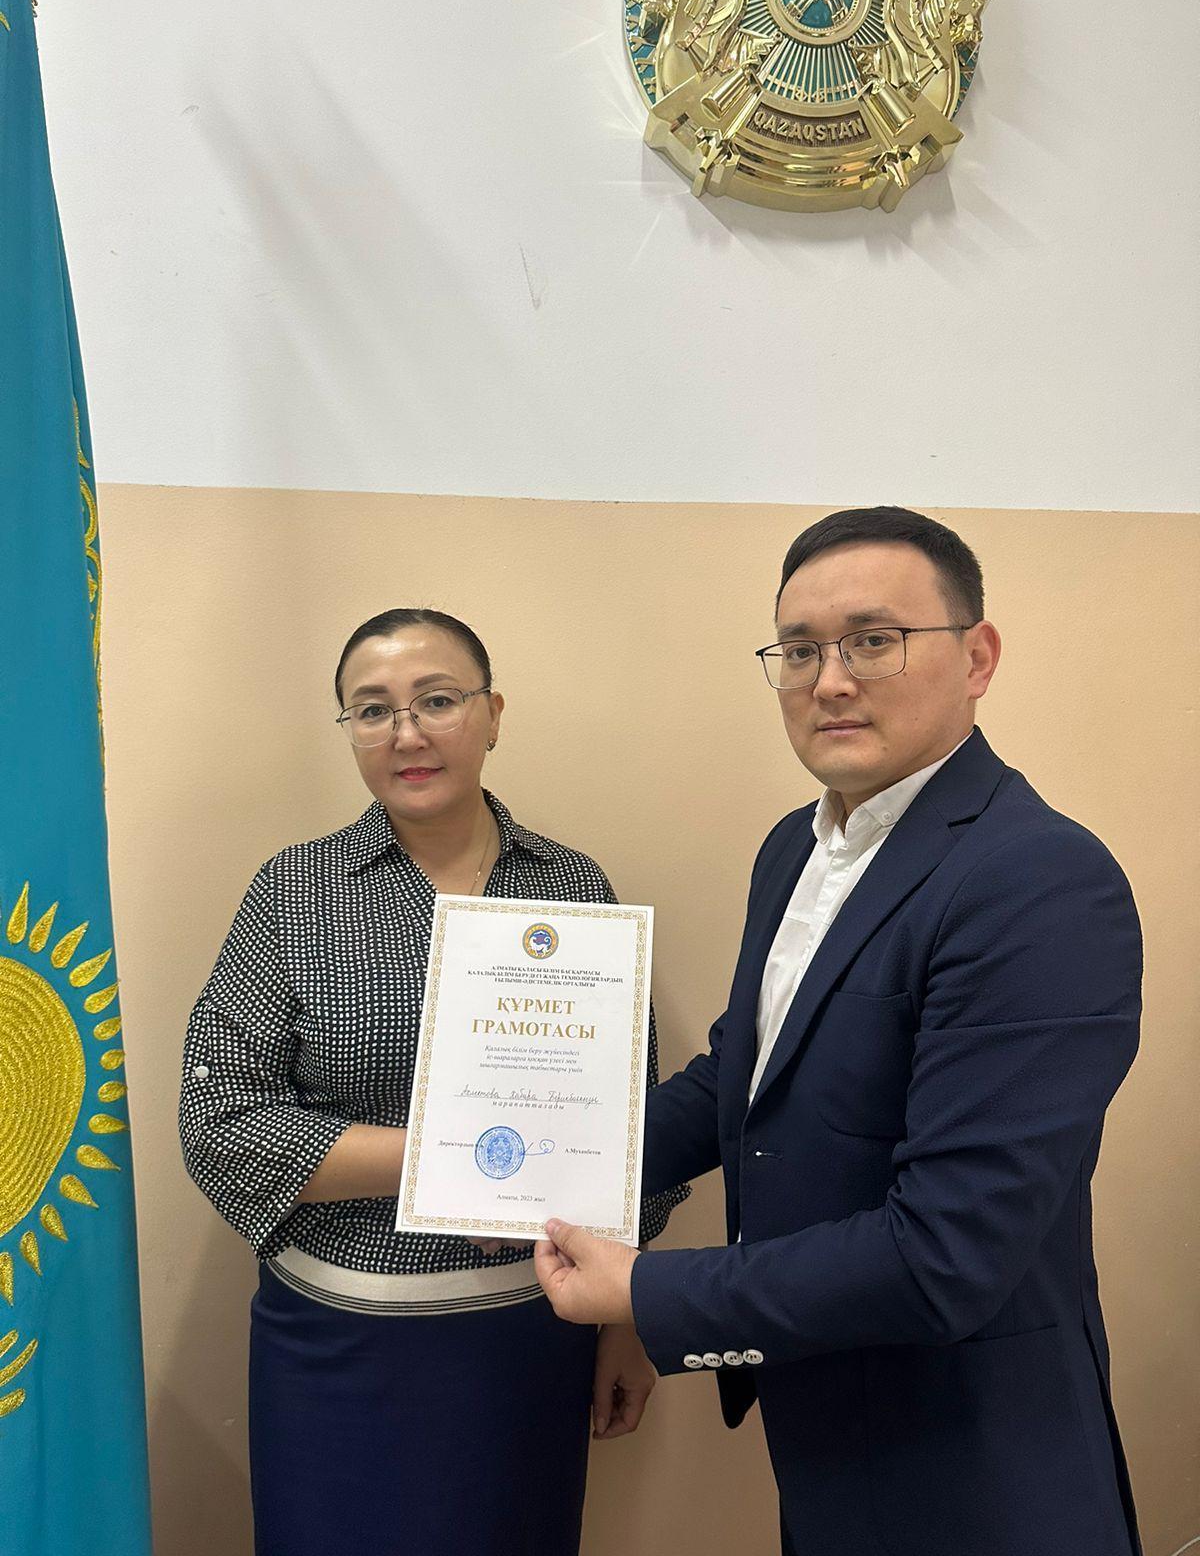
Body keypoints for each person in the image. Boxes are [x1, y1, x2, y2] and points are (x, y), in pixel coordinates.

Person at [534, 508, 1143, 1556]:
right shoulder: (796, 848)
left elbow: (947, 1252)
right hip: (822, 1426)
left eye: (873, 640)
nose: (830, 681)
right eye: (800, 650)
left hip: (970, 1456)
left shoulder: (1039, 879)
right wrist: (545, 1169)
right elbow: (743, 1079)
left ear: (977, 657)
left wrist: (645, 1289)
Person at [179, 607, 683, 1556]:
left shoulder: (573, 889)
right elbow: (219, 1124)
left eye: (438, 701)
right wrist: (452, 1159)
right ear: (350, 732)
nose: (406, 733)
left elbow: (633, 1126)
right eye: (372, 710)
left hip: (530, 1339)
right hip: (334, 1344)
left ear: (493, 715)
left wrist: (629, 1321)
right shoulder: (295, 891)